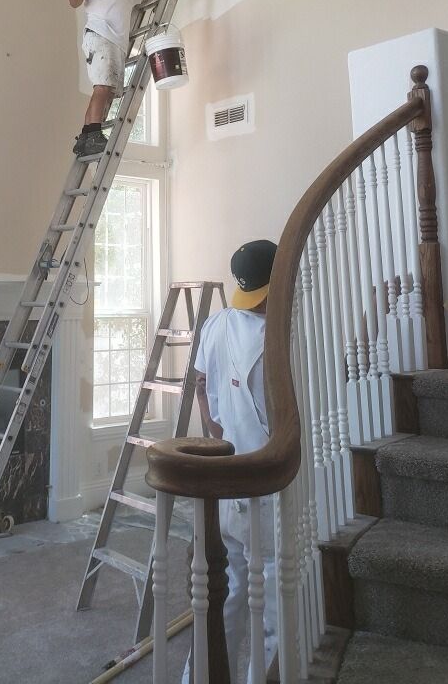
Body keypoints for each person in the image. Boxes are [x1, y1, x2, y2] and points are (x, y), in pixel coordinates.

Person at [184, 238, 279, 684]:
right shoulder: (279, 336)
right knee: (273, 606)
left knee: (230, 594)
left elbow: (205, 395)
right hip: (265, 486)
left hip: (227, 481)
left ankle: (197, 678)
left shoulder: (216, 324)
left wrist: (219, 433)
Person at [67, 0, 173, 157]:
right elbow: (75, 1)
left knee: (105, 90)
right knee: (102, 87)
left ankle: (86, 137)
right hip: (100, 35)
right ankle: (95, 135)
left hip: (117, 43)